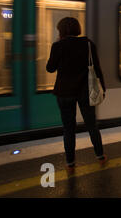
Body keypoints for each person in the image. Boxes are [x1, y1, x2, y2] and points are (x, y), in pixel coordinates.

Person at [46, 17, 107, 174]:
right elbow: (97, 68)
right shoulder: (88, 44)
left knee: (68, 129)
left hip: (64, 93)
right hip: (85, 92)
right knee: (92, 125)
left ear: (61, 31)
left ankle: (70, 164)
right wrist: (103, 88)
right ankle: (100, 157)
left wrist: (57, 48)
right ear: (77, 29)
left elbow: (50, 68)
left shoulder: (57, 46)